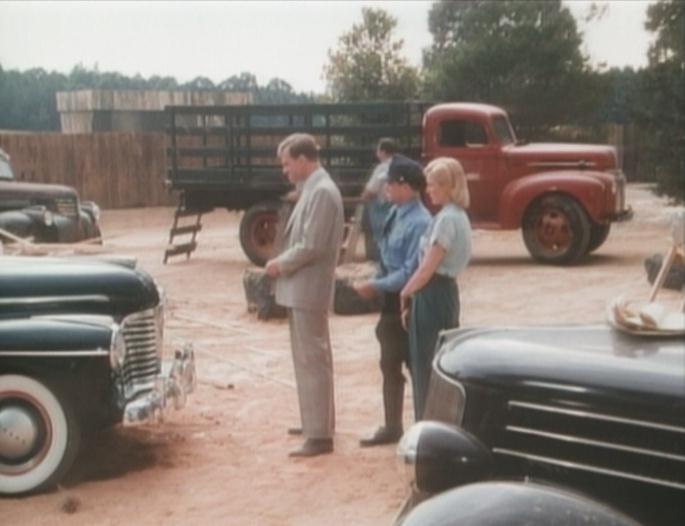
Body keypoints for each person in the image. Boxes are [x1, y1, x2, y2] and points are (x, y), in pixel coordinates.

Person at [265, 133, 344, 457]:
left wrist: (279, 265)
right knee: (309, 359)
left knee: (312, 359)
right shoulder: (314, 189)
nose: (285, 171)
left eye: (287, 164)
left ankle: (320, 434)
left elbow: (312, 244)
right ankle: (316, 421)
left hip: (308, 286)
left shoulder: (322, 192)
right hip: (303, 288)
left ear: (302, 160)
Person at [353, 154, 431, 446]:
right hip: (389, 301)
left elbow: (410, 272)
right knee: (389, 364)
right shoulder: (394, 213)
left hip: (409, 301)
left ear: (406, 186)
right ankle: (392, 425)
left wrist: (375, 284)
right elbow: (387, 257)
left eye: (391, 184)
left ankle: (424, 428)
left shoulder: (421, 223)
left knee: (416, 365)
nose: (386, 189)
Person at [400, 157, 472, 420]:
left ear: (447, 186)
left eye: (433, 186)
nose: (428, 191)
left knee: (425, 365)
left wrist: (405, 292)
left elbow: (426, 269)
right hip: (446, 293)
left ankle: (427, 424)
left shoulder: (446, 220)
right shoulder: (459, 216)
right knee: (441, 361)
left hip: (432, 293)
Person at [361, 138, 398, 260]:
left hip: (383, 208)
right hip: (397, 206)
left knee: (381, 238)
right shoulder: (399, 165)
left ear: (382, 151)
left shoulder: (382, 168)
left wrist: (363, 198)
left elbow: (371, 190)